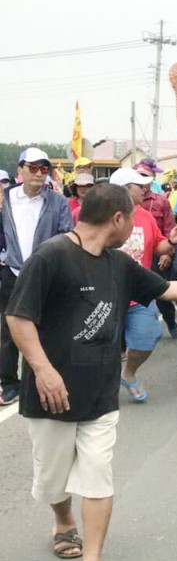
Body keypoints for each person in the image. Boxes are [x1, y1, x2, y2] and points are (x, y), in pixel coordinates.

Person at [5, 183, 177, 561]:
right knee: (53, 479)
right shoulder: (50, 257)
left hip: (99, 393)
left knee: (98, 476)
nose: (133, 225)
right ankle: (62, 524)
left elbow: (165, 289)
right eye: (130, 217)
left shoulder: (119, 264)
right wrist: (42, 370)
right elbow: (18, 318)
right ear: (117, 218)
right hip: (50, 394)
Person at [0, 147, 73, 406]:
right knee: (9, 331)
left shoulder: (57, 201)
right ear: (20, 169)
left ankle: (45, 380)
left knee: (47, 328)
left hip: (46, 274)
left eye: (44, 169)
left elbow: (67, 234)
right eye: (33, 168)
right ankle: (9, 383)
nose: (39, 174)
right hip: (12, 271)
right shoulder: (5, 198)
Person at [109, 168, 177, 402]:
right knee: (103, 346)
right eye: (139, 185)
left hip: (138, 294)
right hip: (106, 294)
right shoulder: (102, 215)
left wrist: (171, 241)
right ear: (123, 189)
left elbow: (157, 246)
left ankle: (128, 373)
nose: (145, 189)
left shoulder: (145, 215)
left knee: (149, 335)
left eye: (146, 185)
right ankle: (103, 384)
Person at [136, 161, 177, 339]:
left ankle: (170, 320)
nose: (142, 182)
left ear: (151, 179)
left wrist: (167, 253)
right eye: (138, 177)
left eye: (145, 177)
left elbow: (169, 229)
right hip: (135, 255)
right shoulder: (125, 202)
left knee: (161, 294)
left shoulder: (161, 201)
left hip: (157, 254)